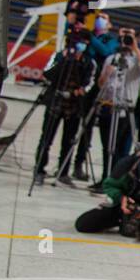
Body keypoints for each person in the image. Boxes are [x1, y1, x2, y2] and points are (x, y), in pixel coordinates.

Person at [74, 139, 140, 242]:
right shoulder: (127, 164)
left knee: (130, 232)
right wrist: (121, 198)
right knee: (83, 224)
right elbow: (108, 185)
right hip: (121, 207)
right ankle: (120, 220)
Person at [89, 25, 140, 188]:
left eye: (129, 37)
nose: (126, 41)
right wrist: (106, 74)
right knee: (106, 146)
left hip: (125, 109)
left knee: (119, 148)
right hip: (108, 106)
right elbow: (101, 83)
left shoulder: (137, 59)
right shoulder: (112, 58)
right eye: (124, 37)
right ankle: (105, 177)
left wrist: (135, 47)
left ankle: (115, 180)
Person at [33, 29, 96, 185]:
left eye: (84, 42)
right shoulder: (59, 56)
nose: (81, 45)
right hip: (56, 102)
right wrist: (65, 59)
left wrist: (79, 91)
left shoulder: (89, 62)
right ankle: (39, 169)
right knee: (46, 138)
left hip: (74, 106)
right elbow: (47, 74)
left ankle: (63, 172)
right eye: (78, 41)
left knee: (69, 141)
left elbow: (89, 83)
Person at [71, 10, 121, 180]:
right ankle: (64, 163)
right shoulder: (87, 34)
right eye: (98, 17)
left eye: (104, 18)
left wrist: (90, 38)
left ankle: (79, 163)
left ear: (109, 24)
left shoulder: (110, 40)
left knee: (88, 126)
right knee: (71, 124)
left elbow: (106, 52)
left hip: (96, 87)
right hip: (78, 81)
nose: (100, 19)